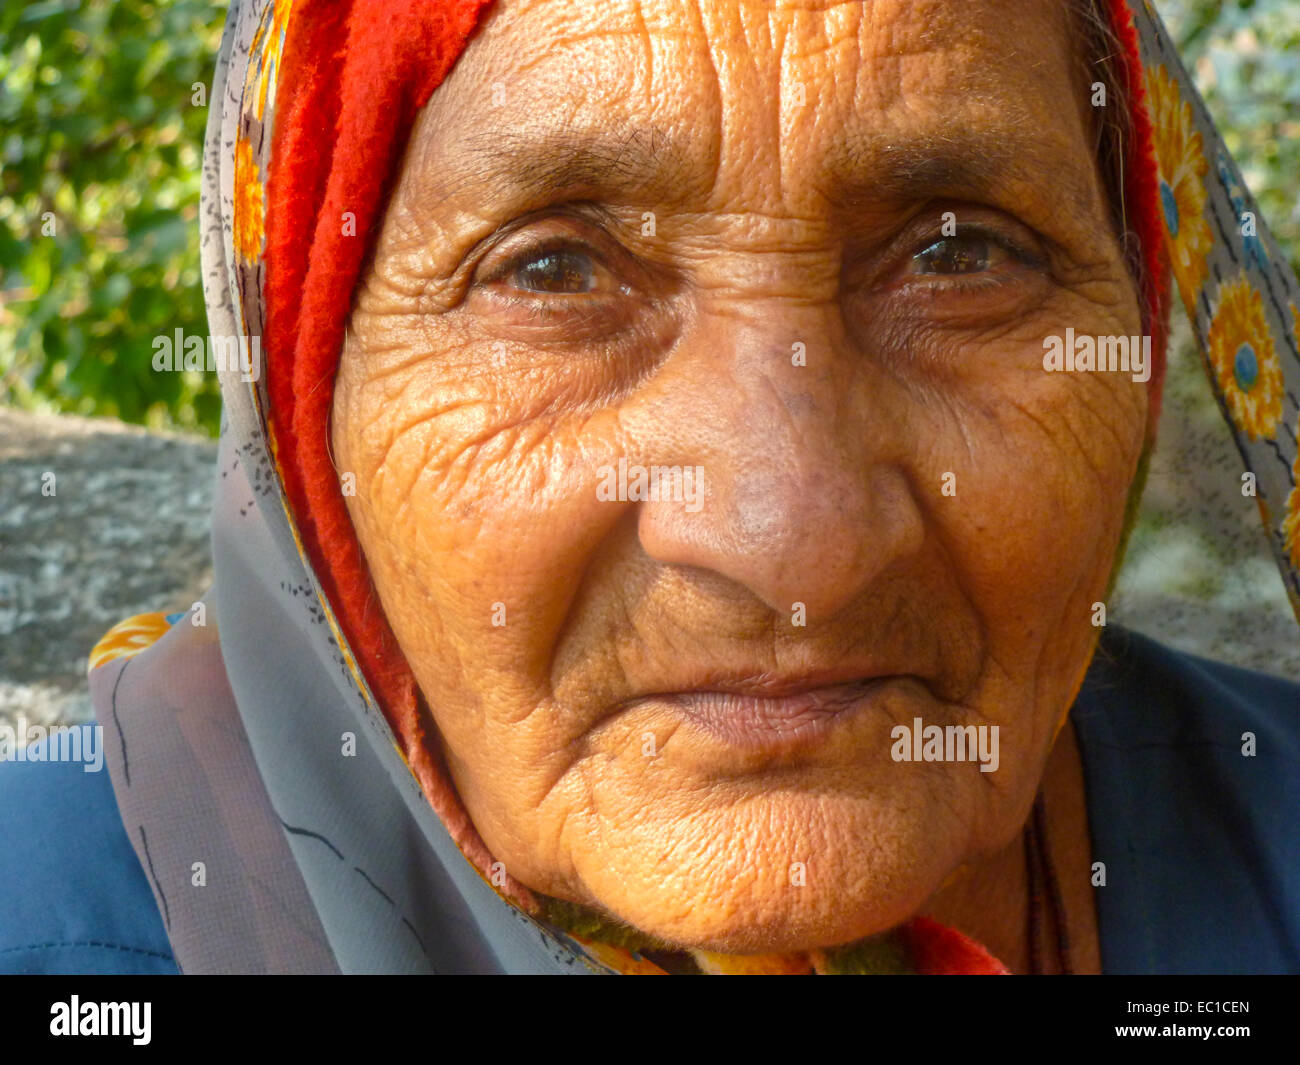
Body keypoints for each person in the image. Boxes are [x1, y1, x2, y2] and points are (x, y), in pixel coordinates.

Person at [2, 0, 1298, 975]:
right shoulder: (62, 932)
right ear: (302, 389)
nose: (791, 537)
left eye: (959, 255)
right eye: (553, 271)